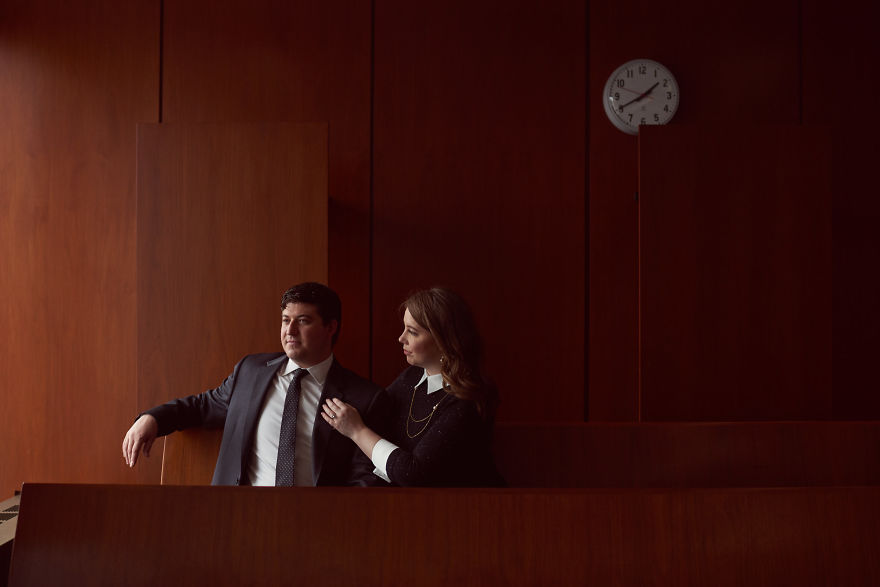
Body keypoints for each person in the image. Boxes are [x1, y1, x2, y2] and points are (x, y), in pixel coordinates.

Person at [122, 282, 390, 486]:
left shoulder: (364, 397)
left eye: (303, 321)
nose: (290, 331)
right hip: (238, 516)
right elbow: (202, 406)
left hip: (314, 526)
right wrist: (152, 419)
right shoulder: (251, 372)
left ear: (331, 327)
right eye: (286, 320)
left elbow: (363, 480)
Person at [321, 287, 504, 487]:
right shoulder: (413, 376)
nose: (401, 338)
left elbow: (413, 473)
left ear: (444, 340)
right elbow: (375, 421)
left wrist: (356, 430)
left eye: (413, 332)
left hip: (471, 509)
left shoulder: (468, 401)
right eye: (404, 328)